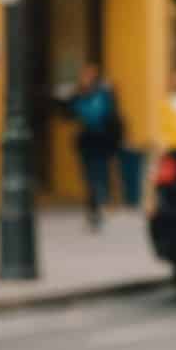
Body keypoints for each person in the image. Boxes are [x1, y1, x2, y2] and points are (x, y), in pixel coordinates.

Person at [63, 62, 124, 230]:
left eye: (89, 75)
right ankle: (94, 208)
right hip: (87, 142)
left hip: (102, 142)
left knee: (100, 176)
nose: (86, 78)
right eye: (84, 75)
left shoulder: (104, 94)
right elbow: (68, 112)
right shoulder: (79, 94)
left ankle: (99, 207)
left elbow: (112, 116)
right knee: (89, 177)